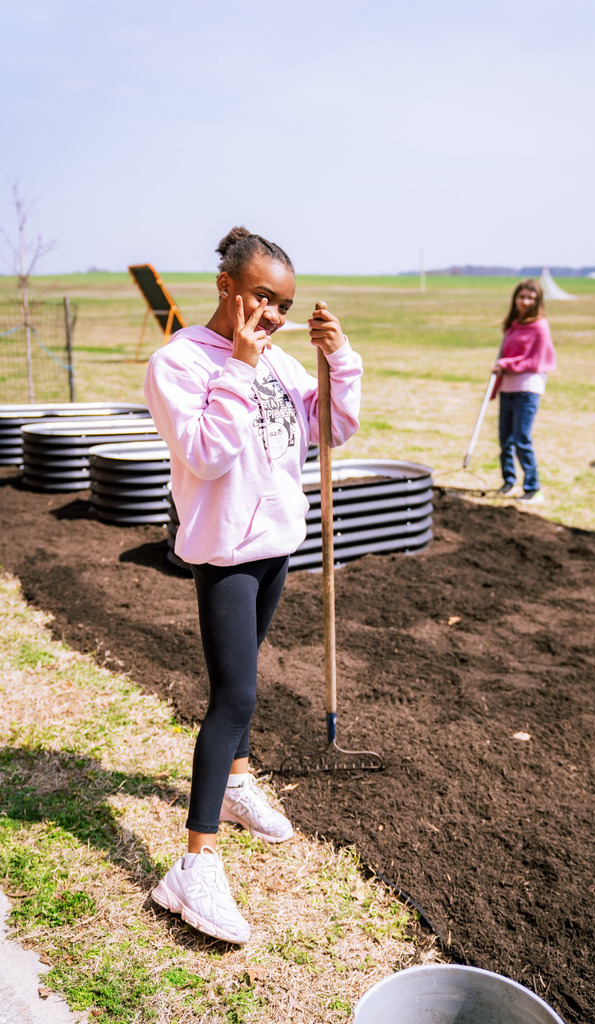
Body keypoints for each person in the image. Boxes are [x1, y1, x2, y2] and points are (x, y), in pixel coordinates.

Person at [143, 227, 362, 944]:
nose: (270, 314)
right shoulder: (177, 362)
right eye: (262, 297)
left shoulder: (283, 363)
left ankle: (235, 782)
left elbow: (331, 429)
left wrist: (337, 361)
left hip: (274, 543)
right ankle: (193, 866)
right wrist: (238, 365)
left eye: (284, 305)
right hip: (226, 553)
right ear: (227, 287)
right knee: (235, 693)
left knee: (246, 680)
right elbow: (204, 458)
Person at [493, 279, 556, 503]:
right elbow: (503, 354)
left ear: (537, 301)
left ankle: (532, 487)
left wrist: (507, 365)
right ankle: (508, 482)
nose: (525, 302)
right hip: (508, 388)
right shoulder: (513, 323)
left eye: (530, 298)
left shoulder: (540, 326)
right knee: (505, 440)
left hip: (527, 389)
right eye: (522, 297)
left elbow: (536, 360)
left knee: (522, 439)